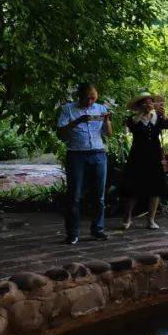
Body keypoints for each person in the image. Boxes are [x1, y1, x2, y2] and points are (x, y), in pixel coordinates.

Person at [57, 82, 112, 244]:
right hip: (76, 155)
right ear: (79, 97)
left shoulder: (100, 109)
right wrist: (79, 120)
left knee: (99, 196)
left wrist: (107, 121)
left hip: (98, 154)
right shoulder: (68, 110)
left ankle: (98, 230)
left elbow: (108, 134)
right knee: (74, 196)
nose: (90, 102)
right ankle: (73, 233)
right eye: (87, 98)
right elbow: (60, 134)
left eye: (93, 98)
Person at [121, 91, 168, 230]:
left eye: (150, 101)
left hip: (155, 156)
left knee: (155, 188)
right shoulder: (133, 118)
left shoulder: (157, 117)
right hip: (137, 156)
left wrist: (163, 115)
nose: (149, 103)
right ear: (139, 105)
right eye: (145, 102)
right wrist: (142, 113)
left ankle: (151, 219)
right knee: (133, 188)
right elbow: (132, 125)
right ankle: (128, 216)